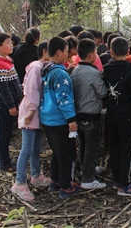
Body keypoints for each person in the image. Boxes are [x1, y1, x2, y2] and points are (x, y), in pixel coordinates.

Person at [103, 37, 131, 196]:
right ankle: (124, 185)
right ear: (128, 51)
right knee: (127, 149)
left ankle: (116, 180)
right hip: (127, 116)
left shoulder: (106, 70)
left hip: (111, 114)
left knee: (114, 148)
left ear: (110, 52)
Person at [40, 36, 81, 199]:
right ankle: (66, 186)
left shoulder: (47, 69)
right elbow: (63, 98)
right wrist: (71, 119)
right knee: (67, 154)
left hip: (48, 118)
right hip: (60, 119)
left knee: (57, 152)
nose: (67, 54)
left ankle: (55, 181)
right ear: (59, 52)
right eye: (65, 51)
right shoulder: (60, 74)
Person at [11, 41, 51, 201]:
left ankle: (36, 175)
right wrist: (32, 111)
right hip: (30, 111)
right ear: (43, 51)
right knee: (27, 148)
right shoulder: (36, 67)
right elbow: (31, 90)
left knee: (36, 147)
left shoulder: (43, 67)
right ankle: (19, 183)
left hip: (37, 111)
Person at [70, 38, 107, 190]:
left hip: (78, 114)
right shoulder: (93, 73)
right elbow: (103, 92)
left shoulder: (74, 70)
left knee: (84, 144)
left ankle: (87, 168)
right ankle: (87, 178)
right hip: (90, 114)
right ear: (91, 55)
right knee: (92, 146)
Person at [0, 33, 23, 172]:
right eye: (7, 43)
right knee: (3, 135)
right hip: (3, 105)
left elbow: (12, 83)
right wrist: (11, 106)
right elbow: (3, 88)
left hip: (9, 103)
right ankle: (4, 163)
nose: (11, 45)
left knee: (6, 134)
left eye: (11, 43)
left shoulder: (7, 60)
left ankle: (4, 160)